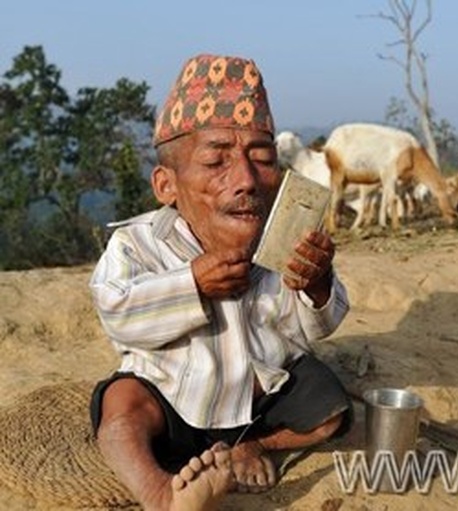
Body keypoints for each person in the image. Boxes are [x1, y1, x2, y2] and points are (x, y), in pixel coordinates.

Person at [89, 53, 352, 511]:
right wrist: (190, 285)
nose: (246, 180)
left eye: (262, 159)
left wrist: (317, 286)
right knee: (121, 409)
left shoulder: (284, 237)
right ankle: (161, 493)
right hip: (174, 397)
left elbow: (308, 330)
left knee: (332, 410)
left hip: (258, 402)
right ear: (167, 185)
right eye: (216, 161)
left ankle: (252, 447)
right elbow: (118, 314)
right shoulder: (139, 244)